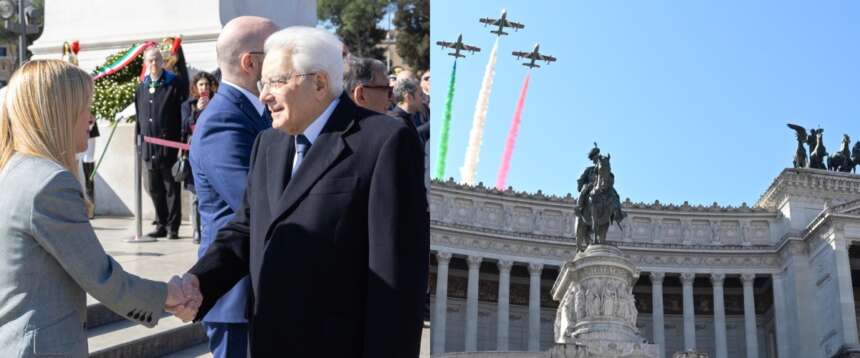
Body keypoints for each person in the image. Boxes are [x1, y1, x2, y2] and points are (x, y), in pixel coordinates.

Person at [173, 26, 429, 357]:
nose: (264, 95)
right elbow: (247, 229)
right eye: (263, 83)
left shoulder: (384, 141)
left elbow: (397, 276)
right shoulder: (267, 143)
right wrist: (200, 282)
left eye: (276, 82)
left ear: (319, 83)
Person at [0, 60, 197, 357]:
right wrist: (168, 295)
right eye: (85, 107)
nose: (91, 118)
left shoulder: (15, 169)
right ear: (61, 113)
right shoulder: (49, 184)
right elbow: (100, 276)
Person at [188, 16, 278, 358]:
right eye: (276, 53)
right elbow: (253, 202)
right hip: (237, 292)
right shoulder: (223, 120)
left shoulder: (256, 112)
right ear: (250, 63)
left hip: (259, 287)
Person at [135, 46, 187, 240]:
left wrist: (181, 141)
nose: (154, 63)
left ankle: (173, 227)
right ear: (145, 63)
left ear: (162, 61)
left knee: (170, 187)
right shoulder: (142, 87)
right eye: (150, 60)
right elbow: (139, 117)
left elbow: (181, 114)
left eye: (157, 59)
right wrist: (139, 141)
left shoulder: (173, 84)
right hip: (148, 146)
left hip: (168, 146)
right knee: (154, 188)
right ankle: (161, 224)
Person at [181, 71, 219, 244]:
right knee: (196, 195)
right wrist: (197, 111)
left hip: (214, 153)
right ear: (195, 87)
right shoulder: (188, 105)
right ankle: (197, 230)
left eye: (206, 84)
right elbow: (184, 127)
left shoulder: (218, 102)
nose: (204, 88)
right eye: (201, 85)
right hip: (194, 154)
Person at [388, 78, 428, 142]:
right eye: (420, 95)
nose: (424, 98)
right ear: (408, 97)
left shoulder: (405, 119)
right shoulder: (398, 124)